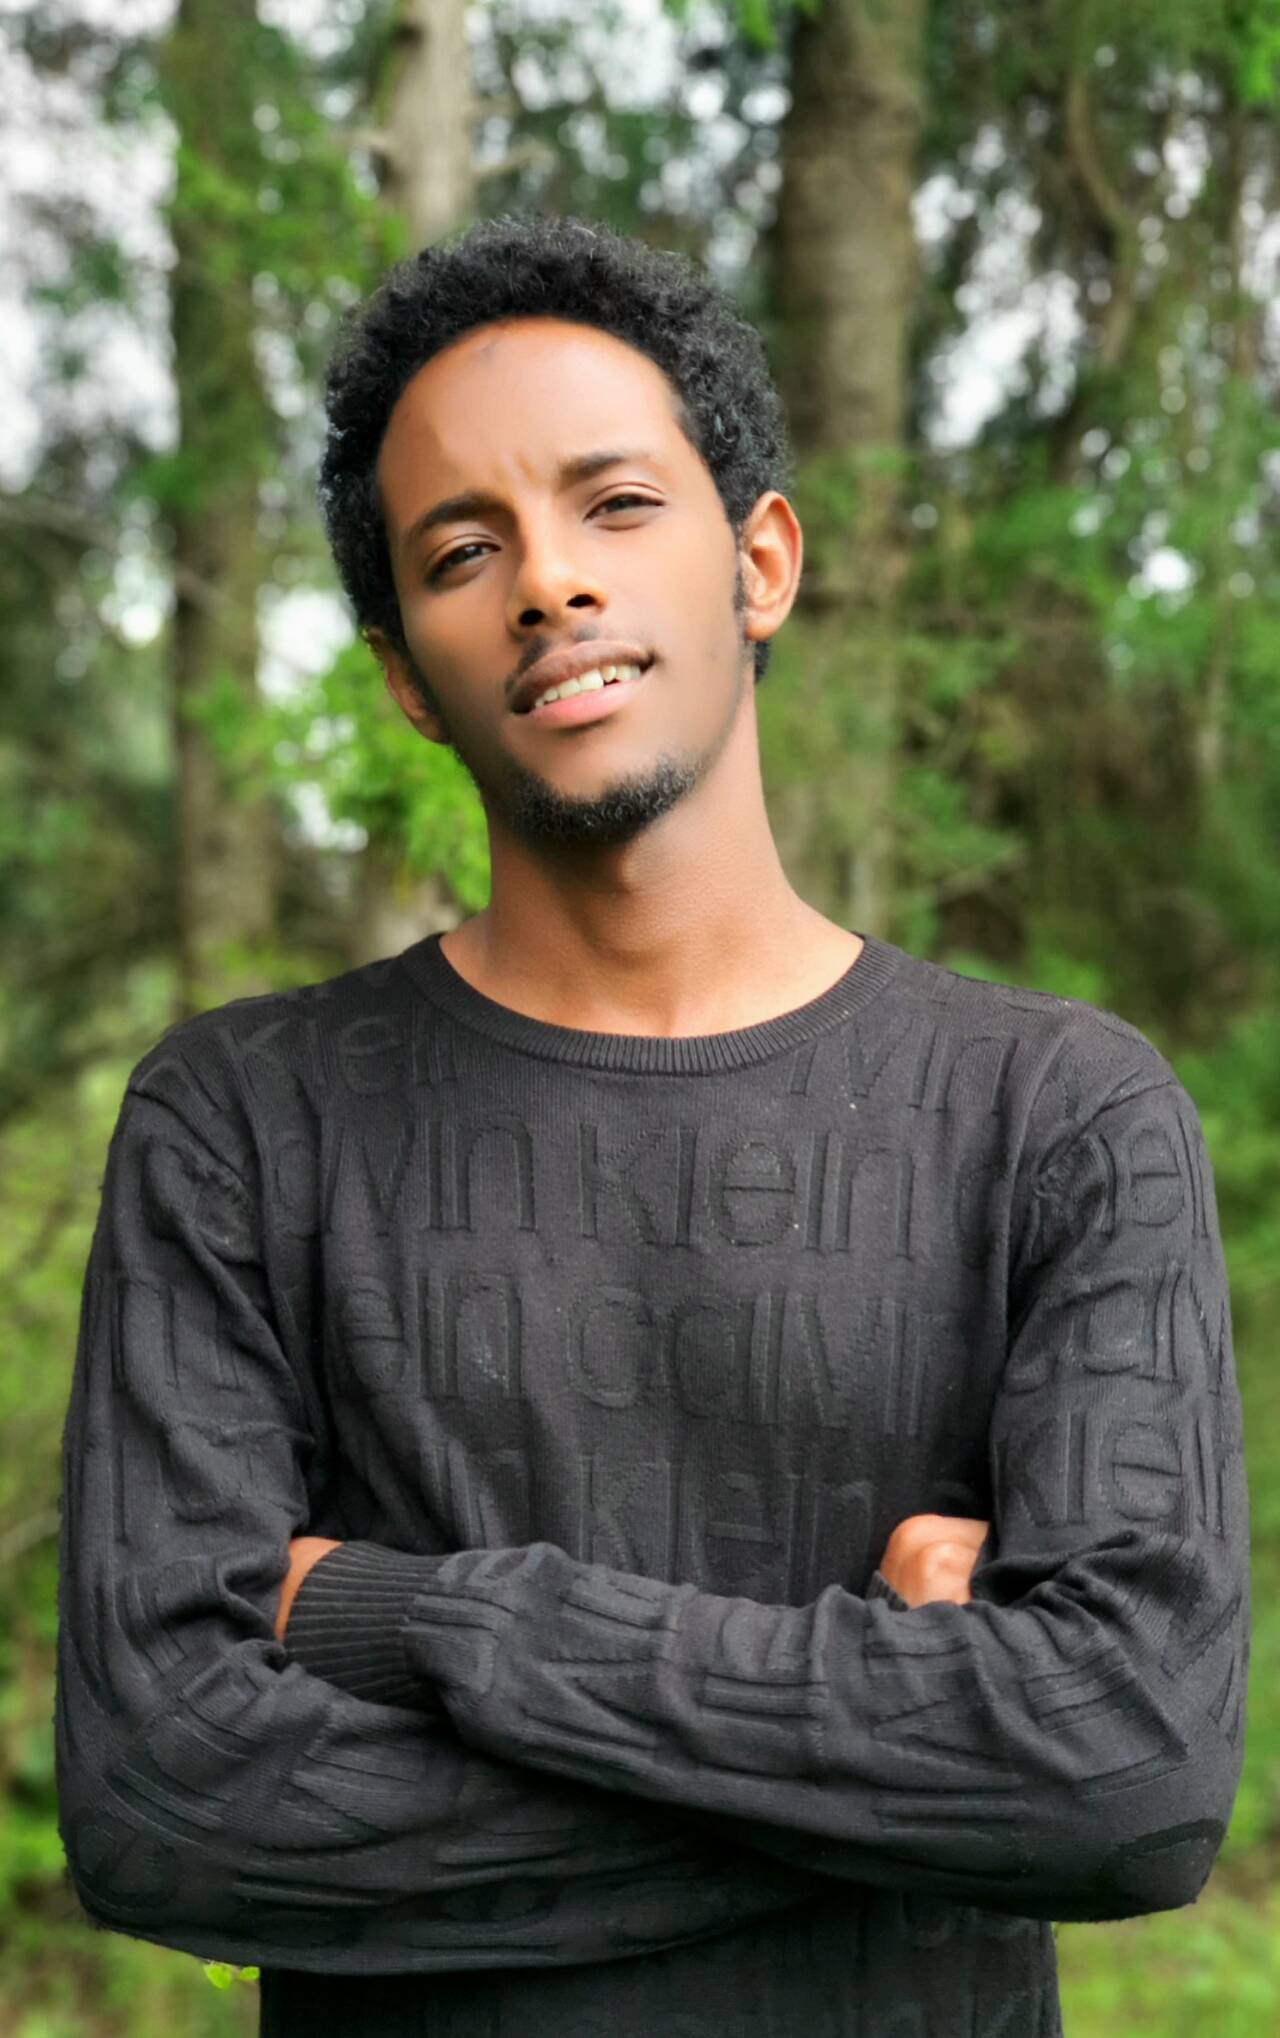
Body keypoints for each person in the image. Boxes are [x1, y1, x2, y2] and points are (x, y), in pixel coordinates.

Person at [55, 213, 1250, 2038]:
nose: (547, 581)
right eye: (463, 550)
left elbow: (1129, 1768)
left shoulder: (1061, 1116)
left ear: (759, 561)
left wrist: (420, 1618)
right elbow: (168, 1798)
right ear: (405, 670)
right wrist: (906, 1780)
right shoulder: (241, 1124)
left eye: (614, 505)